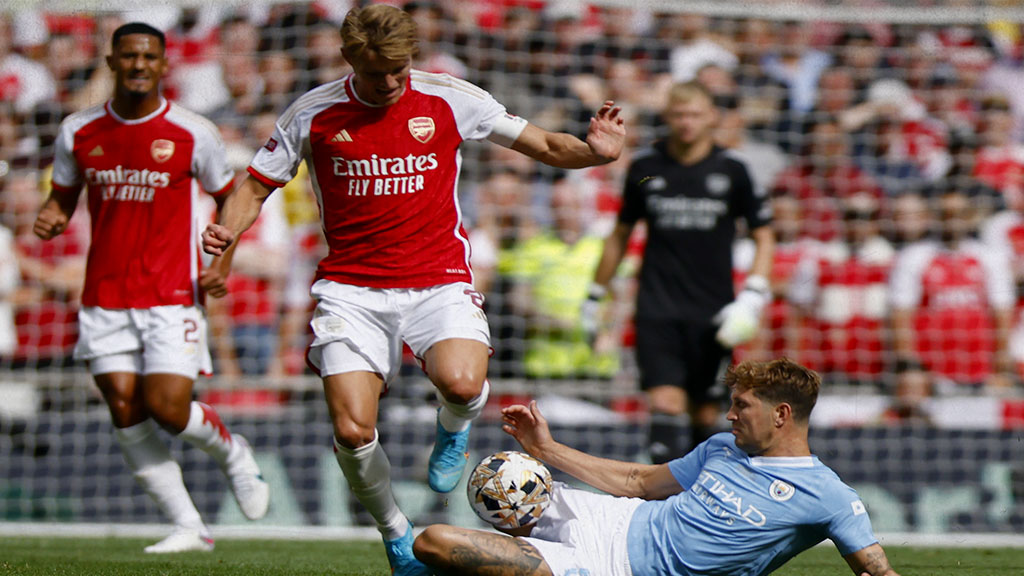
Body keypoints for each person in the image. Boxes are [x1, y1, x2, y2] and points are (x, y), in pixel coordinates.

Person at [200, 5, 624, 576]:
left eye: (400, 69)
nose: (391, 82)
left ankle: (453, 428)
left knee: (463, 382)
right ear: (349, 58)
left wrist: (594, 152)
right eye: (378, 73)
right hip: (352, 291)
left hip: (438, 281)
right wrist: (228, 233)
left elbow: (545, 144)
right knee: (352, 430)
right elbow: (255, 186)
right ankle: (397, 538)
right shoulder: (314, 113)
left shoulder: (451, 97)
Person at [32, 22, 269, 554]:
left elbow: (230, 198)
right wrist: (51, 213)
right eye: (128, 56)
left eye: (149, 57)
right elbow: (63, 195)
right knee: (123, 406)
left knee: (168, 407)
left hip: (170, 292)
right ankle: (189, 526)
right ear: (112, 62)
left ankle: (234, 453)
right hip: (103, 295)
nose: (139, 65)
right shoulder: (78, 131)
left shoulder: (193, 131)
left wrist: (220, 265)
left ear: (165, 66)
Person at [412, 358, 902, 576]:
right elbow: (638, 482)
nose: (729, 415)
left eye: (742, 406)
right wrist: (546, 449)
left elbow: (877, 570)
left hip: (612, 568)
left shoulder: (829, 496)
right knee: (499, 477)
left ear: (781, 415)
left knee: (434, 542)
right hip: (609, 519)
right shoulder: (720, 448)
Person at [583, 80, 774, 464]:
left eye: (696, 114)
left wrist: (753, 295)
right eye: (680, 114)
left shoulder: (733, 171)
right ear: (668, 117)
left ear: (712, 118)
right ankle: (664, 505)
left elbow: (763, 235)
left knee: (708, 413)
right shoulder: (645, 169)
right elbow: (620, 235)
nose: (687, 122)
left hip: (714, 311)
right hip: (657, 308)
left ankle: (708, 505)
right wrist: (594, 295)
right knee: (665, 402)